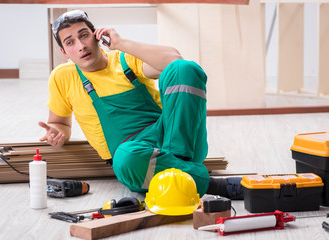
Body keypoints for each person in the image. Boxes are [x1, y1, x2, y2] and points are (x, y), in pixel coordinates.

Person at [39, 10, 243, 200]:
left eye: (84, 35)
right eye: (70, 42)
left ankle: (176, 162)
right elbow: (59, 123)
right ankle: (215, 185)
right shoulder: (62, 77)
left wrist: (121, 43)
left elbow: (173, 60)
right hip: (138, 159)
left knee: (184, 68)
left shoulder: (125, 60)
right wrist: (57, 133)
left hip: (177, 139)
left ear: (97, 35)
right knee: (126, 156)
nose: (81, 45)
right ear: (64, 52)